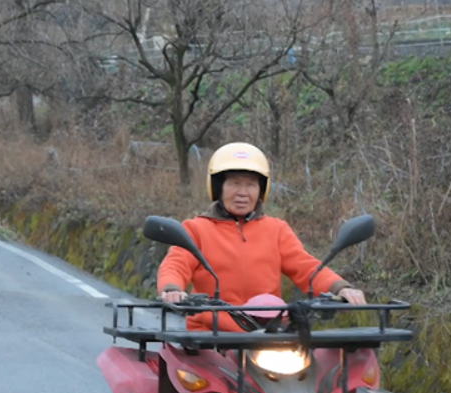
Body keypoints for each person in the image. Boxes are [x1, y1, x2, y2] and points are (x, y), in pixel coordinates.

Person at [156, 142, 366, 333]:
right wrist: (172, 289)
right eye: (234, 183)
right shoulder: (196, 229)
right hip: (210, 337)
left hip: (268, 335)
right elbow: (175, 264)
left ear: (261, 190)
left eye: (251, 185)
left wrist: (341, 288)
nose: (242, 192)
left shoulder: (276, 230)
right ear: (219, 187)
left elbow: (307, 268)